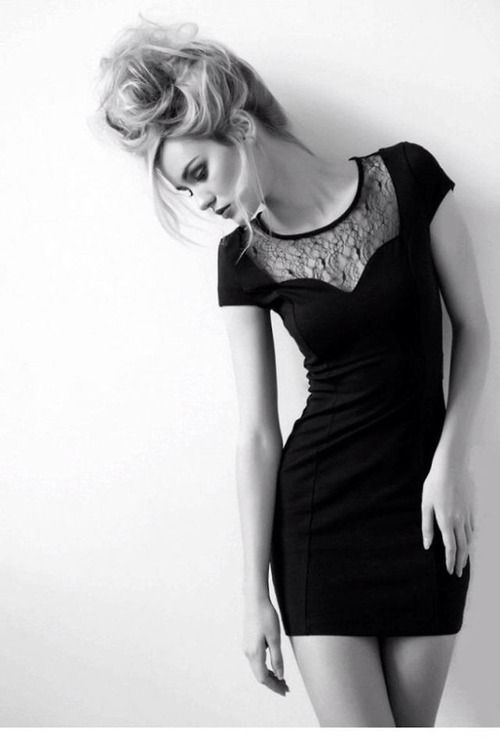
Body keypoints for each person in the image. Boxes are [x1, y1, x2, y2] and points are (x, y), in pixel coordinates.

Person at [96, 18, 489, 727]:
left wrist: (453, 463)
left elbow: (475, 329)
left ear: (240, 127)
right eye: (184, 192)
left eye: (197, 174)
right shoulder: (241, 261)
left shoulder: (409, 177)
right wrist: (253, 595)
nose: (199, 201)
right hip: (319, 527)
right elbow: (256, 433)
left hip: (429, 515)